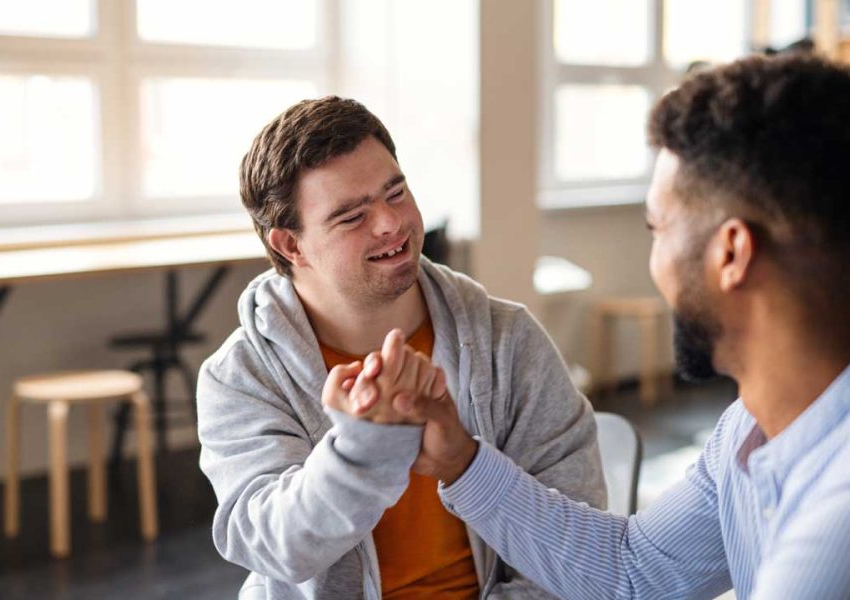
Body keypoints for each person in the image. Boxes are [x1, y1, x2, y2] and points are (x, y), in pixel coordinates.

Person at [342, 54, 850, 599]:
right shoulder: (754, 424)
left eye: (658, 228)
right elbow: (635, 572)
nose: (655, 260)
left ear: (731, 253)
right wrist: (462, 460)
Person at [196, 95, 605, 599]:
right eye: (352, 217)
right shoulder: (241, 375)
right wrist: (363, 449)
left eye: (396, 192)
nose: (390, 223)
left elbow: (576, 544)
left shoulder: (509, 339)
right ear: (291, 245)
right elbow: (275, 546)